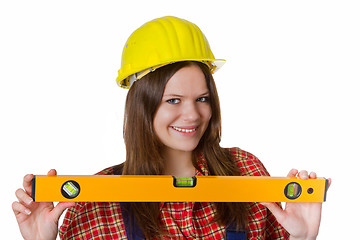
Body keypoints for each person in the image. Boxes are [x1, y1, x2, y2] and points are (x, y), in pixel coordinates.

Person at [13, 16, 330, 240]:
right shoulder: (97, 201)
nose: (193, 114)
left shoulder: (246, 172)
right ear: (142, 107)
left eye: (202, 98)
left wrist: (302, 239)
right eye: (174, 100)